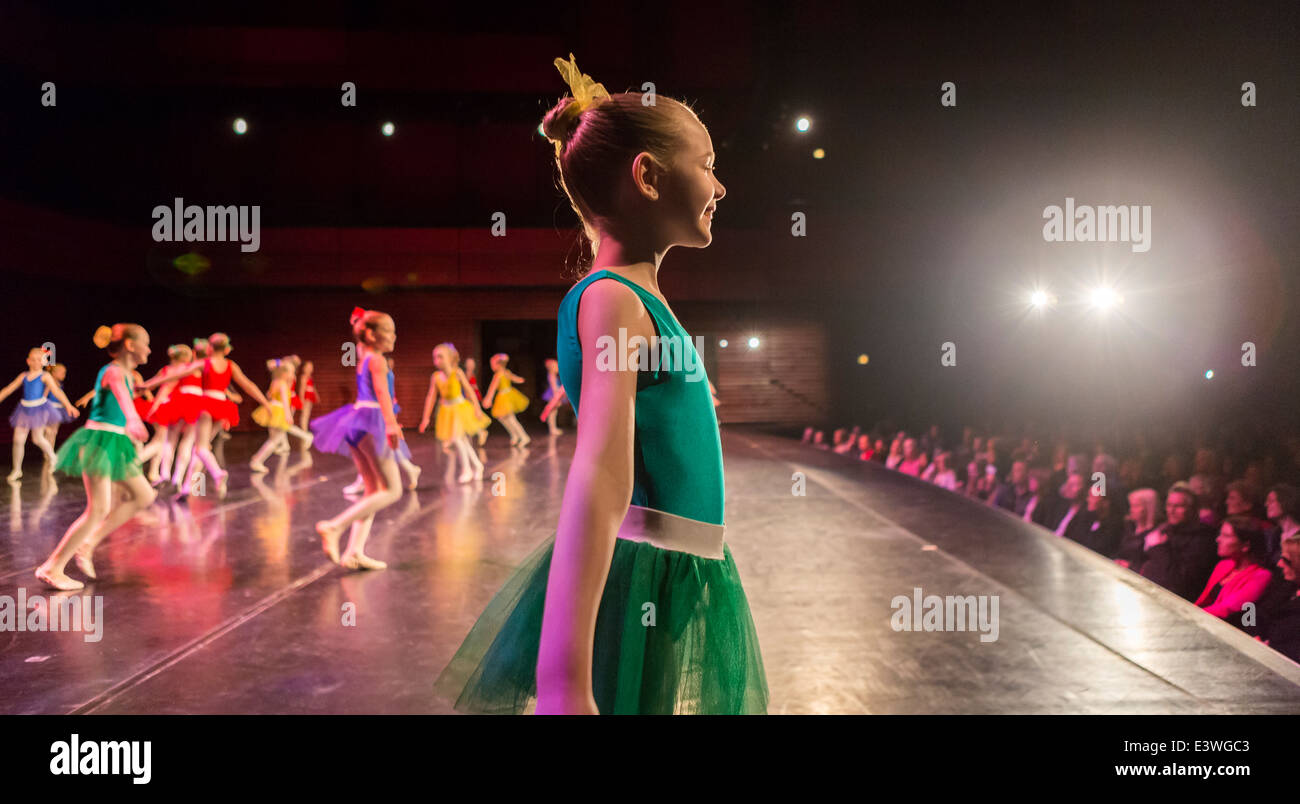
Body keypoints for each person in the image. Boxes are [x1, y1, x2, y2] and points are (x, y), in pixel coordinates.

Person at [434, 54, 766, 714]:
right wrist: (563, 681)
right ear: (647, 176)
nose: (720, 187)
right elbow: (598, 478)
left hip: (678, 569)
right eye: (706, 164)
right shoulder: (612, 300)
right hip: (647, 571)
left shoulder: (639, 297)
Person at [37, 325, 157, 589]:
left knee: (144, 495)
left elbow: (130, 391)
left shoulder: (126, 373)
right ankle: (52, 567)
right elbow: (124, 398)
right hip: (100, 442)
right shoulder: (113, 371)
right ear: (130, 345)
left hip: (115, 442)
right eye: (146, 343)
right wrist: (134, 419)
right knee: (98, 509)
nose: (149, 349)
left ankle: (89, 542)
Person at [309, 307, 407, 570]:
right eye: (389, 331)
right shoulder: (376, 359)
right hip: (372, 421)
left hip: (356, 420)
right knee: (393, 490)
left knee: (373, 490)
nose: (394, 336)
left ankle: (354, 552)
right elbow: (382, 392)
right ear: (372, 335)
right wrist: (390, 424)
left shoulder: (364, 355)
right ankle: (334, 526)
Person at [1, 347, 79, 480]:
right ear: (28, 361)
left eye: (39, 360)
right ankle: (17, 469)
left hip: (39, 409)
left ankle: (53, 456)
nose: (36, 362)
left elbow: (57, 391)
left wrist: (68, 405)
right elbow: (8, 389)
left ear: (43, 362)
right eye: (33, 360)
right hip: (24, 409)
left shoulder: (45, 376)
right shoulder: (23, 376)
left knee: (37, 438)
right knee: (18, 440)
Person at [1137, 482, 1219, 601]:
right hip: (1149, 595)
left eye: (1178, 506)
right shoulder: (1165, 529)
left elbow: (1179, 584)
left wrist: (1159, 548)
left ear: (1192, 509)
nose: (1172, 510)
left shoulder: (1203, 539)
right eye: (1169, 505)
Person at [1195, 516, 1274, 627]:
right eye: (1220, 534)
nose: (1218, 539)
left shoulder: (1261, 576)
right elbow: (1204, 601)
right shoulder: (1223, 565)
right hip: (1203, 623)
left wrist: (1191, 615)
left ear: (1245, 545)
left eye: (1226, 536)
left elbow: (1227, 609)